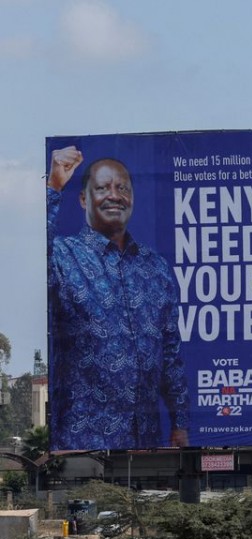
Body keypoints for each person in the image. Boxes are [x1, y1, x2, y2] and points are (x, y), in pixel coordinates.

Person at [47, 145, 190, 450]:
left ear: (133, 200)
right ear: (84, 199)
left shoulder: (156, 268)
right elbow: (35, 255)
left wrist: (180, 423)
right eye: (102, 188)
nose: (114, 195)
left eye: (122, 188)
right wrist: (53, 187)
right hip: (81, 443)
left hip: (146, 444)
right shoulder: (62, 255)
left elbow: (170, 353)